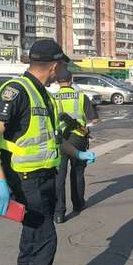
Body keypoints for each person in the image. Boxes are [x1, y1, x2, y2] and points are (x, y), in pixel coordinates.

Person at [0, 40, 97, 265]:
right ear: (55, 65)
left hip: (45, 182)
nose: (66, 69)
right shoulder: (17, 91)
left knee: (30, 245)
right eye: (65, 65)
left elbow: (55, 139)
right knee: (45, 244)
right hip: (25, 183)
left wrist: (77, 155)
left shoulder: (46, 95)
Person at [53, 71, 99, 224]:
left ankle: (59, 213)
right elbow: (94, 119)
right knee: (77, 173)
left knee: (59, 176)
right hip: (78, 139)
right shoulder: (81, 97)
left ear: (57, 82)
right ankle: (78, 204)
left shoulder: (53, 99)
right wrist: (86, 125)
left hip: (59, 140)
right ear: (71, 80)